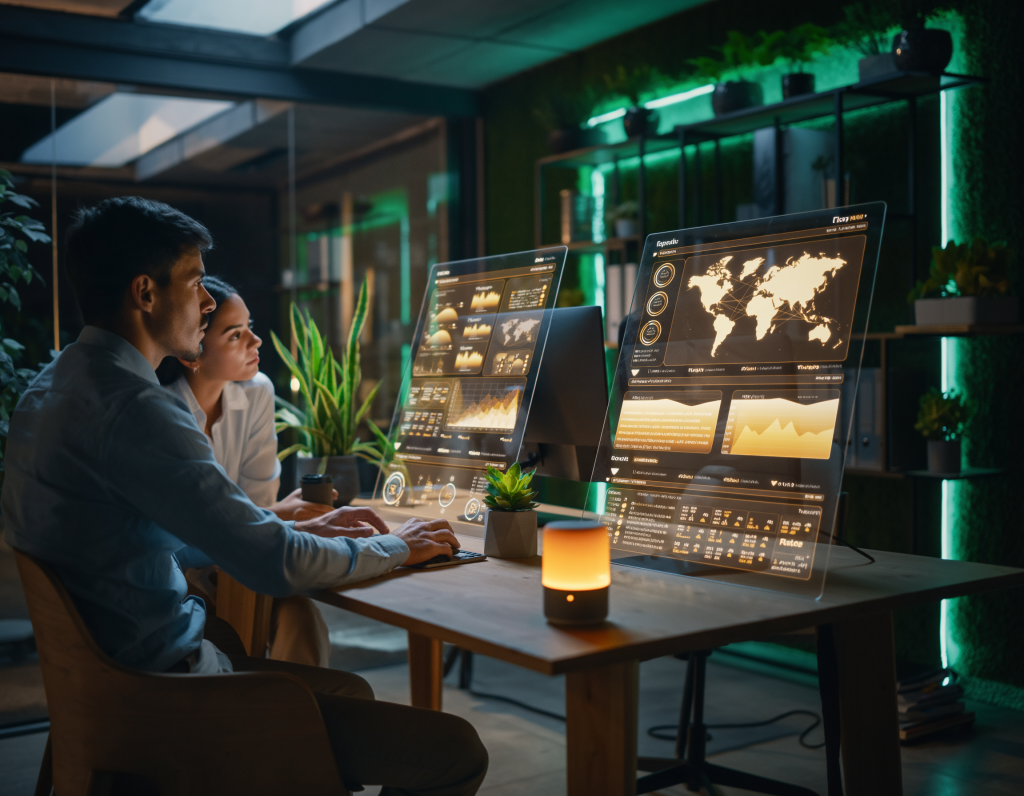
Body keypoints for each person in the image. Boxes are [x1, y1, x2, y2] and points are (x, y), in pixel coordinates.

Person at [2, 196, 487, 796]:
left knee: (351, 692)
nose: (207, 302)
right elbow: (273, 565)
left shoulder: (50, 388)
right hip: (168, 698)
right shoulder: (137, 410)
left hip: (107, 683)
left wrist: (298, 531)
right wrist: (396, 545)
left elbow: (149, 527)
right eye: (196, 281)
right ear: (145, 293)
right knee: (454, 750)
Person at [155, 275, 333, 667]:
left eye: (249, 327)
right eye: (235, 335)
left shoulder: (256, 392)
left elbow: (255, 507)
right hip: (179, 578)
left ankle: (286, 718)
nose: (256, 341)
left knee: (300, 614)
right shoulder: (160, 411)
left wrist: (272, 517)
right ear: (191, 353)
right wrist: (275, 517)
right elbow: (184, 536)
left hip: (238, 561)